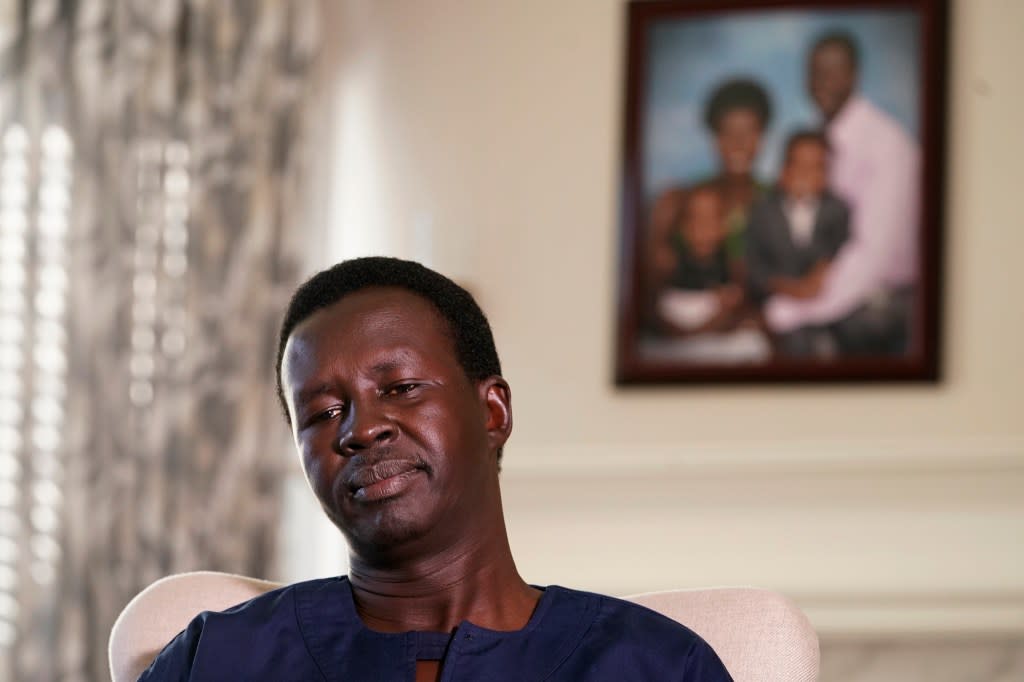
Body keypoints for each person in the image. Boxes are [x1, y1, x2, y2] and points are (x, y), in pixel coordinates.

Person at [139, 257, 733, 680]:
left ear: (492, 410)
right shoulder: (215, 658)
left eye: (399, 387)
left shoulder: (656, 665)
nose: (361, 429)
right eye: (323, 412)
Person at [763, 31, 920, 355]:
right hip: (824, 286)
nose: (822, 82)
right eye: (814, 73)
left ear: (854, 74)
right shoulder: (815, 139)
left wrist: (790, 310)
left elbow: (871, 255)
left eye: (833, 71)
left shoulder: (887, 144)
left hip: (882, 298)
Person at [646, 77, 773, 296]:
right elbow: (651, 277)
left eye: (749, 132)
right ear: (714, 138)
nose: (739, 143)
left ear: (763, 137)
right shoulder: (680, 200)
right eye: (728, 132)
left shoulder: (778, 201)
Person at [747, 131, 850, 357]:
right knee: (795, 344)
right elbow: (754, 268)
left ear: (826, 175)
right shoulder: (762, 211)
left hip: (830, 300)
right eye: (798, 165)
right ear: (783, 171)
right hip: (780, 301)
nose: (805, 174)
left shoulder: (838, 210)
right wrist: (787, 287)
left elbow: (845, 253)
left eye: (815, 167)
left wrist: (822, 273)